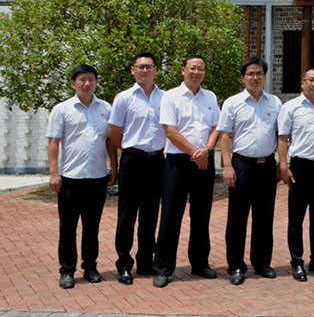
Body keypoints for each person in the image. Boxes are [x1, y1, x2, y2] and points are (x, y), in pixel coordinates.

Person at [152, 55, 220, 288]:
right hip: (177, 162)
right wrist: (195, 152)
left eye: (201, 69)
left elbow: (216, 127)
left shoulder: (210, 97)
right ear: (183, 70)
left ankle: (200, 263)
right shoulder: (171, 96)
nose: (197, 72)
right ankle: (163, 267)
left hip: (204, 161)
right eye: (193, 68)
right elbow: (170, 131)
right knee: (171, 215)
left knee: (201, 215)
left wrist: (207, 150)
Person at [47, 65, 117, 289]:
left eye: (91, 80)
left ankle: (90, 267)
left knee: (92, 226)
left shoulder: (105, 108)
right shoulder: (62, 109)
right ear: (73, 83)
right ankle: (67, 270)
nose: (87, 84)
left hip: (97, 177)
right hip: (70, 177)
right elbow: (53, 142)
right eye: (82, 80)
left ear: (96, 82)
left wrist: (113, 166)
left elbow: (109, 140)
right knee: (68, 227)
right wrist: (54, 173)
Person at [218, 57, 282, 285]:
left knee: (264, 217)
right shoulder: (233, 103)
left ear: (265, 76)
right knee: (237, 218)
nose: (255, 77)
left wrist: (282, 164)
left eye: (259, 73)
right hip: (242, 166)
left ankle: (262, 263)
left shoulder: (275, 103)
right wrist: (227, 165)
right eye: (250, 74)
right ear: (243, 77)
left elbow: (281, 136)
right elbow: (225, 135)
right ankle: (236, 265)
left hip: (267, 166)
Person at [108, 53, 165, 285]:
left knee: (150, 214)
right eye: (140, 67)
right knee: (127, 215)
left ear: (155, 70)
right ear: (133, 70)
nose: (145, 71)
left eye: (149, 67)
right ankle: (124, 264)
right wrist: (127, 149)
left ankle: (145, 261)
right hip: (132, 160)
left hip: (157, 161)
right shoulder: (124, 98)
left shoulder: (165, 97)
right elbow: (114, 131)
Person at [277, 68, 314, 281]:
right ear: (302, 83)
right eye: (310, 80)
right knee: (296, 217)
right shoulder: (291, 107)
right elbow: (282, 138)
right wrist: (283, 166)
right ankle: (297, 261)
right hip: (300, 167)